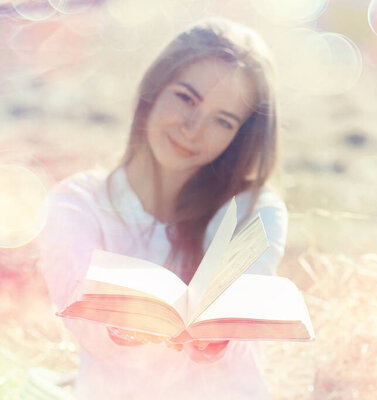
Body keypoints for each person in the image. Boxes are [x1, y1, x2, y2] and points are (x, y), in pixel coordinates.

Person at [38, 18, 287, 399]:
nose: (193, 128)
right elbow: (78, 306)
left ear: (239, 136)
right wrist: (122, 321)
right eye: (187, 98)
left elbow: (244, 326)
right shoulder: (76, 202)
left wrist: (218, 336)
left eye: (222, 120)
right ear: (155, 89)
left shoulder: (254, 209)